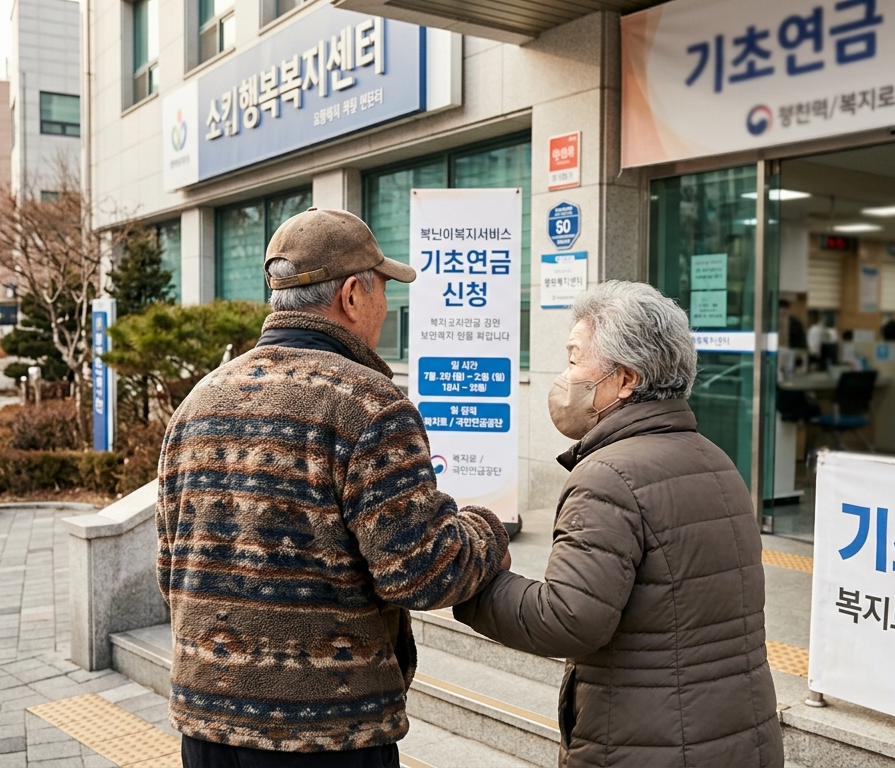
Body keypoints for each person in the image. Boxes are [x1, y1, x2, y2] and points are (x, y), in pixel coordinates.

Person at [157, 208, 510, 768]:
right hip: (326, 736)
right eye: (382, 289)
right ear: (351, 295)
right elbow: (424, 571)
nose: (385, 306)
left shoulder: (198, 402)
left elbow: (170, 568)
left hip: (206, 727)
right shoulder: (369, 405)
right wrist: (486, 531)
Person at [454, 281, 782, 768]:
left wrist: (476, 581)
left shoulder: (608, 476)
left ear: (625, 379)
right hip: (738, 738)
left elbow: (569, 618)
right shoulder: (717, 461)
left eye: (574, 358)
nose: (564, 377)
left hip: (646, 743)